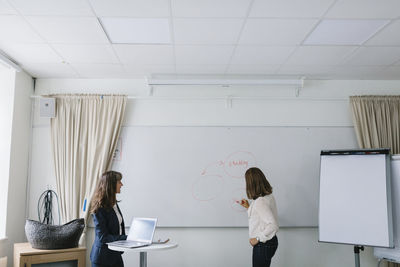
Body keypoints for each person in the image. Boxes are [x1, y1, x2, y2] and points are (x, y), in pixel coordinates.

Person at [237, 167, 279, 267]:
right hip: (270, 242)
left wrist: (257, 238)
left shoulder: (260, 202)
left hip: (263, 244)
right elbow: (261, 217)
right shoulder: (268, 196)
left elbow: (273, 225)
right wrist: (249, 207)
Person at [90, 171, 127, 267]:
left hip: (115, 254)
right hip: (102, 258)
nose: (122, 185)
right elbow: (103, 237)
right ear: (111, 185)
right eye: (119, 182)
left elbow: (118, 227)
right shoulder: (99, 207)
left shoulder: (114, 203)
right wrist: (126, 238)